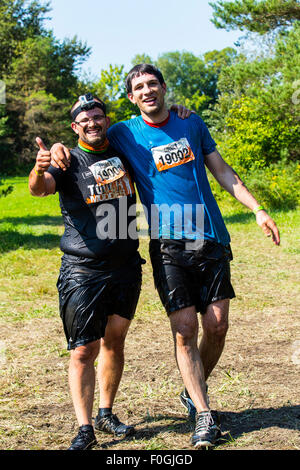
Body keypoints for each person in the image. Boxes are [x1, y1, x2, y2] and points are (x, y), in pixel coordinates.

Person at [50, 64, 280, 449]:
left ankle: (193, 392)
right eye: (138, 87)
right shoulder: (123, 132)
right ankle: (205, 416)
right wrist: (59, 149)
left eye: (152, 83)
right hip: (168, 241)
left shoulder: (191, 122)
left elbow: (222, 170)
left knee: (218, 325)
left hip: (209, 235)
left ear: (163, 87)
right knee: (186, 328)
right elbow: (87, 139)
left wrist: (258, 209)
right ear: (131, 97)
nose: (146, 91)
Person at [29, 94, 145, 450]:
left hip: (126, 265)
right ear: (75, 127)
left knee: (115, 340)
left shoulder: (124, 149)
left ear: (106, 119)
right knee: (83, 350)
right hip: (84, 269)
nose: (93, 123)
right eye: (85, 120)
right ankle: (84, 428)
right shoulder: (66, 161)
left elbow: (156, 125)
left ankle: (106, 413)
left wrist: (180, 113)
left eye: (98, 116)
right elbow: (40, 189)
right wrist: (39, 167)